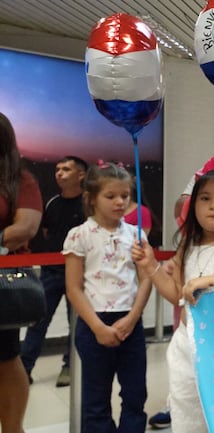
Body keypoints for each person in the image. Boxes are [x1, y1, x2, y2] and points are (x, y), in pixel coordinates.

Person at [132, 170, 214, 433]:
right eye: (205, 198)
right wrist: (151, 266)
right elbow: (177, 294)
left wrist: (212, 280)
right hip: (186, 344)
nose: (213, 205)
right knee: (187, 411)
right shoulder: (187, 244)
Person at [64, 162, 152, 432]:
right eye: (110, 196)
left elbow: (147, 276)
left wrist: (133, 318)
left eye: (125, 196)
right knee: (95, 399)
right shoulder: (79, 235)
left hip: (130, 321)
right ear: (91, 198)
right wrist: (97, 327)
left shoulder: (136, 235)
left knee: (135, 394)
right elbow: (74, 288)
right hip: (95, 323)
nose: (119, 202)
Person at [21, 156, 87, 387]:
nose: (59, 173)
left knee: (76, 324)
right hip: (50, 273)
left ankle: (69, 366)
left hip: (80, 276)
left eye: (66, 169)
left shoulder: (89, 204)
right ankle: (24, 368)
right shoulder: (52, 203)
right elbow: (48, 232)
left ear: (81, 175)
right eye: (58, 169)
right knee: (37, 322)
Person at [0, 112, 43, 433]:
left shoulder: (19, 179)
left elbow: (25, 227)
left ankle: (13, 428)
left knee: (5, 356)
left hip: (3, 282)